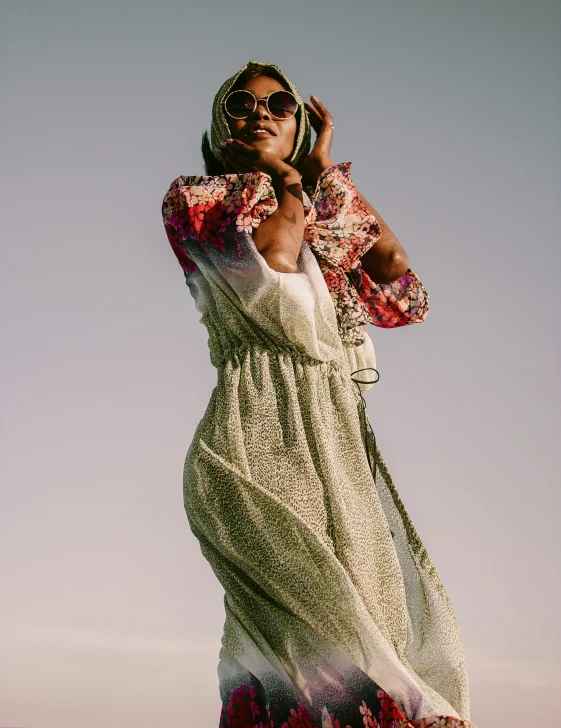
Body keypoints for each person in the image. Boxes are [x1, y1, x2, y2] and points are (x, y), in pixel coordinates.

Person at [161, 60, 476, 728]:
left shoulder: (315, 209)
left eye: (279, 103)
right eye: (240, 103)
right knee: (312, 633)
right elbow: (272, 261)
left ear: (299, 125)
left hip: (335, 437)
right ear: (220, 128)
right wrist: (287, 180)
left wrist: (323, 169)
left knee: (369, 612)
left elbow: (393, 276)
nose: (259, 112)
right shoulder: (200, 200)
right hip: (256, 432)